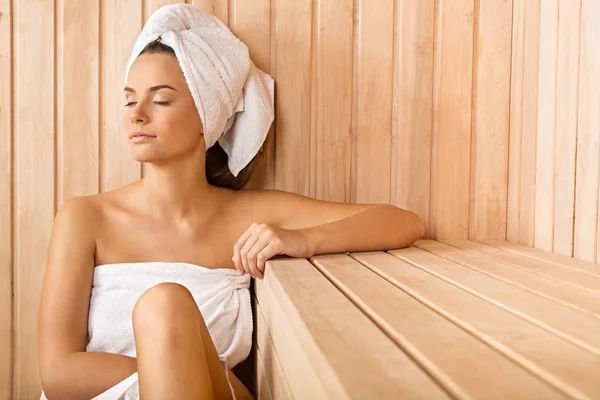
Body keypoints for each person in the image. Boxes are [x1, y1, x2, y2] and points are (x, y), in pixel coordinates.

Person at [37, 4, 425, 400]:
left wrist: (302, 239)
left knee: (165, 305)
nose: (137, 114)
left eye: (162, 100)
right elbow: (57, 373)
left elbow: (403, 222)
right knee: (164, 307)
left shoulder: (249, 216)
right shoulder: (85, 217)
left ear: (208, 114)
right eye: (129, 99)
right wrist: (174, 367)